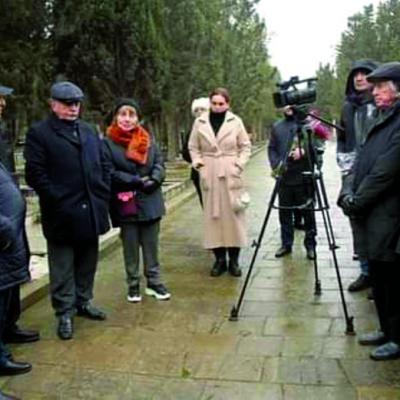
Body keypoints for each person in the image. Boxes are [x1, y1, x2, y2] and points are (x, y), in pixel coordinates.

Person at [24, 81, 111, 340]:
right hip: (62, 211)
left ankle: (83, 301)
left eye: (76, 103)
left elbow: (103, 162)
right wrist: (57, 198)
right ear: (53, 104)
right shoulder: (40, 133)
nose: (73, 108)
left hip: (91, 208)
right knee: (62, 265)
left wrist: (102, 190)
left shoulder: (88, 130)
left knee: (87, 261)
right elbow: (35, 174)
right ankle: (64, 312)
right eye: (67, 103)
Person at [338, 62, 400, 361]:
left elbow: (385, 172)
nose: (374, 92)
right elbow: (360, 157)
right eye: (374, 87)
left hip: (390, 213)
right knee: (378, 274)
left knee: (392, 278)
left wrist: (356, 200)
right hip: (372, 212)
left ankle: (397, 337)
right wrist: (346, 190)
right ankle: (386, 329)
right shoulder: (380, 117)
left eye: (381, 87)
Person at [104, 98, 170, 302]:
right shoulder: (107, 143)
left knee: (151, 245)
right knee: (130, 246)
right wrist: (135, 181)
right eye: (122, 114)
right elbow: (109, 171)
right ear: (116, 117)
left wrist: (155, 179)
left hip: (150, 199)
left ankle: (154, 282)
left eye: (131, 115)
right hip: (126, 202)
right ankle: (133, 284)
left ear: (138, 118)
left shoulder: (147, 139)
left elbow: (159, 163)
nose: (127, 119)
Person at [189, 87, 251, 277]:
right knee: (213, 217)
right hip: (209, 172)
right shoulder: (200, 122)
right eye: (214, 103)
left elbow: (245, 146)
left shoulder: (236, 121)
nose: (217, 107)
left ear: (227, 104)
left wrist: (238, 165)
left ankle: (234, 261)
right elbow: (193, 147)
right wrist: (199, 164)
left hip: (230, 171)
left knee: (234, 216)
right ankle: (219, 260)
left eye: (221, 103)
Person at [0, 84, 39, 346]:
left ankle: (9, 327)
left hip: (11, 222)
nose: (3, 103)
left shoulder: (1, 132)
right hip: (3, 225)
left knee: (13, 275)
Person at [337, 60, 378, 293]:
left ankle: (380, 275)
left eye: (364, 74)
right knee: (357, 222)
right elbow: (342, 140)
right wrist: (347, 171)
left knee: (379, 225)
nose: (359, 78)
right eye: (355, 74)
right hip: (353, 173)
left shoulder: (383, 105)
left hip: (379, 173)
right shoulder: (348, 107)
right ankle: (365, 272)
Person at [268, 106, 317, 260]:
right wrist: (276, 165)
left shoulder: (308, 125)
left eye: (291, 104)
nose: (288, 107)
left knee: (308, 214)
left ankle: (310, 245)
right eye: (286, 104)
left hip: (304, 177)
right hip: (285, 177)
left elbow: (318, 148)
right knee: (284, 213)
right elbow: (271, 148)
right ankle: (286, 244)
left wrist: (305, 151)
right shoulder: (277, 127)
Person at [0, 145, 32, 376]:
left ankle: (6, 333)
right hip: (4, 240)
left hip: (9, 243)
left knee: (6, 299)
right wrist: (5, 230)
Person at [181, 97, 210, 207]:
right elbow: (185, 153)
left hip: (218, 173)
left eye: (202, 109)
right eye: (196, 110)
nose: (199, 112)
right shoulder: (192, 131)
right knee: (206, 206)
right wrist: (196, 158)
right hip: (199, 174)